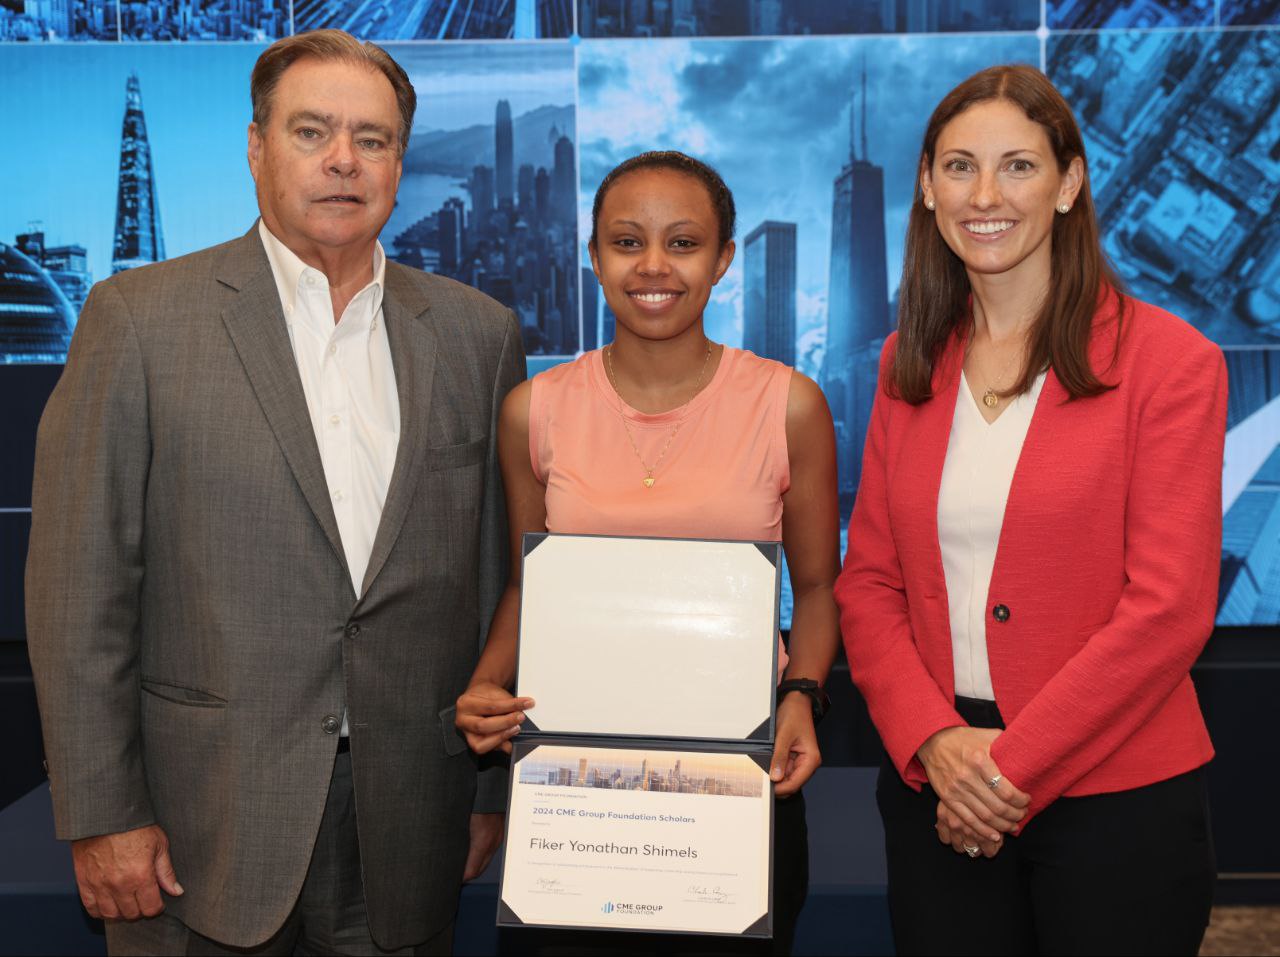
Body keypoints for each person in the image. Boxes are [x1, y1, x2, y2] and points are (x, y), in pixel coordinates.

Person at [24, 29, 524, 956]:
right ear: (256, 149)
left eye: (371, 139)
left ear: (400, 163)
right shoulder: (137, 320)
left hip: (410, 823)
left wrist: (489, 790)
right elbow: (75, 589)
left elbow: (501, 582)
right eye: (311, 132)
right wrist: (100, 813)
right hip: (194, 828)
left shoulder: (479, 336)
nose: (343, 159)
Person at [834, 63, 1224, 955]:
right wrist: (937, 742)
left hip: (1116, 795)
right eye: (960, 167)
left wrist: (1002, 770)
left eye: (1018, 165)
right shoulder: (907, 361)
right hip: (938, 782)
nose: (987, 194)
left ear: (1069, 183)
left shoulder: (1170, 361)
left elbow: (1167, 609)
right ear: (928, 189)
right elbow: (869, 584)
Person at [455, 151, 842, 955]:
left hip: (739, 775)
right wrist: (488, 684)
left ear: (724, 260)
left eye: (684, 242)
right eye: (628, 243)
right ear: (594, 257)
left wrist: (802, 692)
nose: (654, 266)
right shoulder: (536, 410)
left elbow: (815, 587)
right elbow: (531, 583)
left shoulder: (789, 404)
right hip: (575, 788)